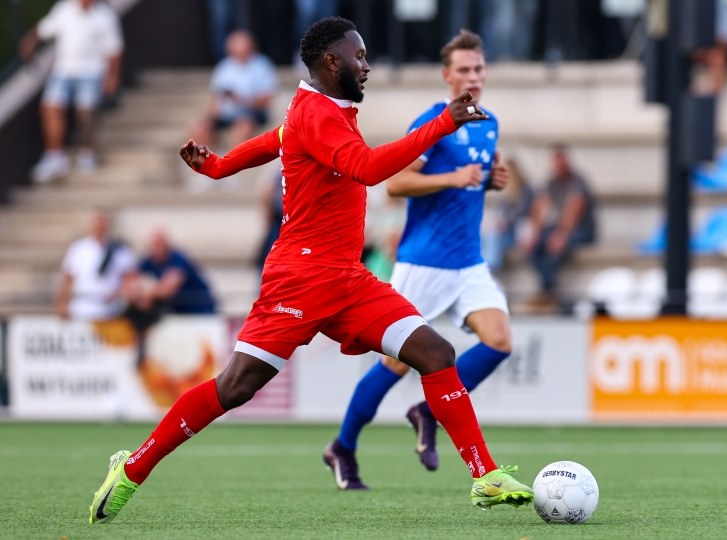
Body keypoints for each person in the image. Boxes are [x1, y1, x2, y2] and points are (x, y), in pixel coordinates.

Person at [88, 17, 533, 525]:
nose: (366, 66)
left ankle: (485, 476)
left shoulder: (322, 110)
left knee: (435, 352)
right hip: (298, 278)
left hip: (347, 278)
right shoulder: (319, 114)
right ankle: (133, 467)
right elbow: (366, 169)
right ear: (331, 61)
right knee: (235, 388)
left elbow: (273, 140)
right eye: (359, 57)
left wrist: (218, 166)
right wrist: (444, 123)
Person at [323, 29, 514, 490]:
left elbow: (471, 178)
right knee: (396, 363)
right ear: (448, 75)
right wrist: (454, 177)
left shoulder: (489, 123)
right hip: (423, 262)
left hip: (467, 262)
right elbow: (395, 184)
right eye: (464, 69)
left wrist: (487, 181)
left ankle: (428, 409)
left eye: (479, 67)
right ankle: (343, 447)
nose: (473, 75)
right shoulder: (433, 120)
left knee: (500, 340)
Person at [19, 0, 123, 183]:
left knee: (86, 113)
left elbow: (113, 48)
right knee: (51, 108)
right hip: (63, 70)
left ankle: (87, 151)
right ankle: (54, 155)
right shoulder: (64, 9)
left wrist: (112, 75)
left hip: (92, 71)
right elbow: (45, 29)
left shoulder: (105, 15)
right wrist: (30, 41)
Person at [522, 145, 596, 309]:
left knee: (558, 246)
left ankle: (546, 290)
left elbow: (574, 212)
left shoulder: (577, 182)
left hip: (581, 230)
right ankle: (549, 287)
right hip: (557, 228)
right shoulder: (551, 183)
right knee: (535, 246)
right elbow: (540, 207)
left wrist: (561, 234)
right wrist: (532, 233)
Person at [192, 30, 279, 149]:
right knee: (199, 128)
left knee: (243, 127)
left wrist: (244, 101)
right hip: (226, 114)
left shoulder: (262, 65)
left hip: (252, 113)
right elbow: (215, 97)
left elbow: (268, 98)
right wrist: (210, 117)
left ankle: (236, 165)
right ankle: (206, 164)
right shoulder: (224, 67)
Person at [54, 209, 138, 321]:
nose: (99, 227)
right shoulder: (78, 249)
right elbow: (67, 279)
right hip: (82, 308)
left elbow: (129, 280)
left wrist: (120, 293)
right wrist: (61, 303)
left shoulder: (121, 250)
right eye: (97, 223)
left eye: (103, 223)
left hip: (111, 310)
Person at [135, 229, 217, 316]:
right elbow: (133, 284)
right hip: (178, 313)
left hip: (200, 309)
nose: (156, 248)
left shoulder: (178, 259)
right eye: (154, 245)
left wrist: (147, 291)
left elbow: (168, 289)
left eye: (159, 244)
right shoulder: (148, 262)